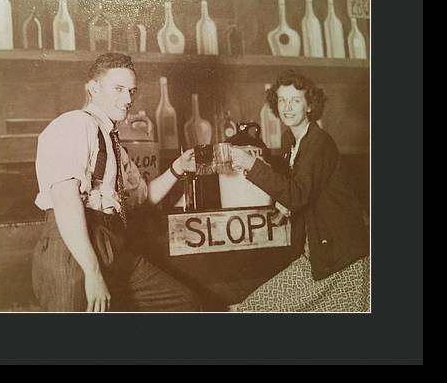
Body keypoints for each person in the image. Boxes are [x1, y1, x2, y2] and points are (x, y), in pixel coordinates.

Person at [32, 52, 200, 312]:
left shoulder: (114, 144)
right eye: (118, 89)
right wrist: (92, 271)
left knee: (183, 302)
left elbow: (141, 198)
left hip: (110, 242)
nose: (128, 99)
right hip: (73, 247)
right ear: (93, 88)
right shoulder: (74, 124)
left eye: (131, 91)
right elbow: (65, 199)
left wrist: (178, 169)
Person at [228, 70, 370, 312]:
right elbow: (301, 191)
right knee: (253, 307)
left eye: (295, 100)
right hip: (318, 254)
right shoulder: (291, 141)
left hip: (344, 259)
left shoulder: (319, 141)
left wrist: (251, 164)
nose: (287, 107)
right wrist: (284, 207)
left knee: (252, 309)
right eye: (282, 100)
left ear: (309, 106)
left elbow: (297, 194)